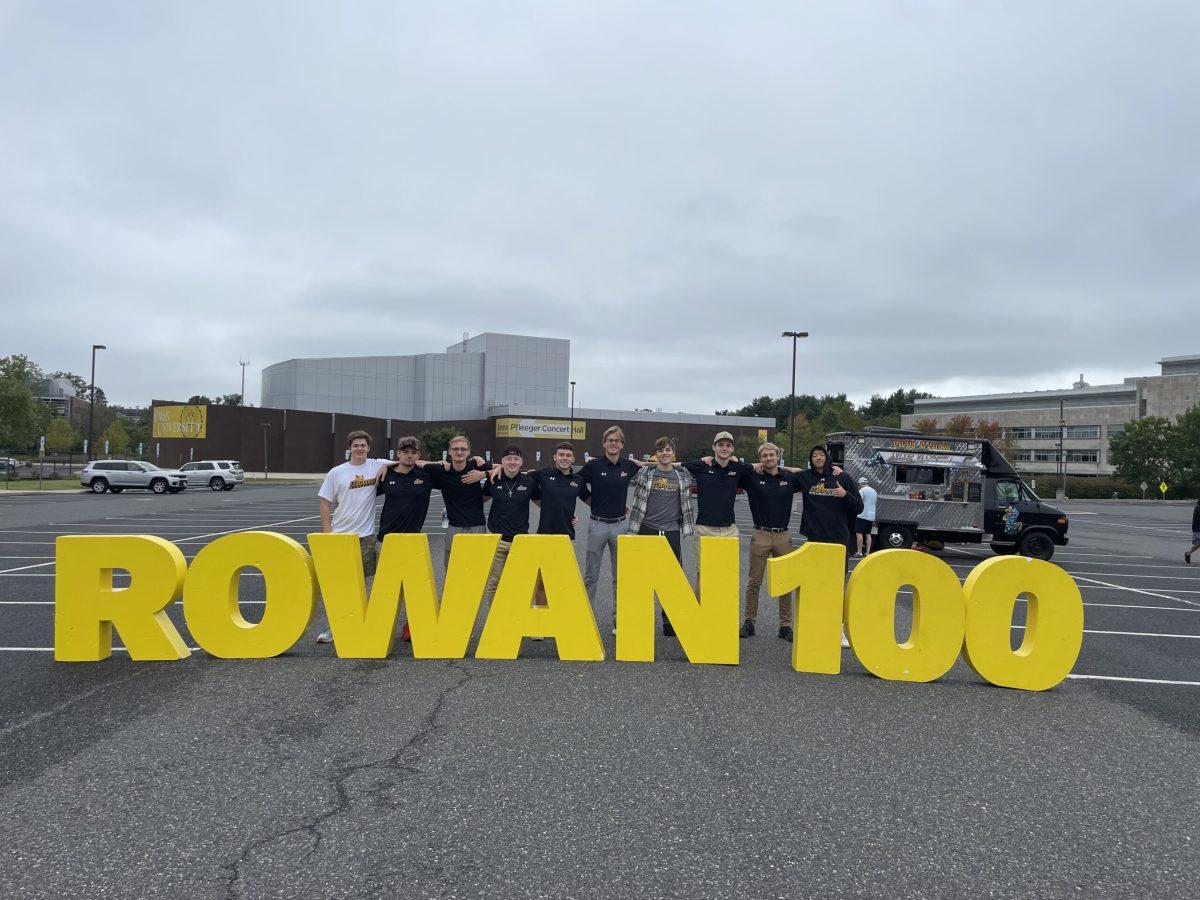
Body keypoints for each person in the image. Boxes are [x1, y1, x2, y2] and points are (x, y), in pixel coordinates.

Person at [315, 430, 393, 644]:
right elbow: (324, 502)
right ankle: (333, 626)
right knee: (339, 585)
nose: (360, 449)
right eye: (356, 445)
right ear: (349, 448)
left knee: (363, 583)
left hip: (366, 536)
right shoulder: (337, 472)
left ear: (369, 448)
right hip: (340, 536)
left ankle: (361, 623)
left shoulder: (376, 465)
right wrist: (327, 531)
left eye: (363, 445)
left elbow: (406, 460)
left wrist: (386, 466)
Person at [375, 435, 444, 642]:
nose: (409, 455)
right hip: (386, 539)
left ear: (418, 455)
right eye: (405, 452)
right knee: (386, 587)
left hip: (413, 539)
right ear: (398, 454)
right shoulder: (385, 475)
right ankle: (380, 625)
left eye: (413, 452)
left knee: (414, 588)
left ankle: (411, 624)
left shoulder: (425, 475)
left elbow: (448, 468)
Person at [578, 426, 646, 633]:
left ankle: (619, 619)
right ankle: (585, 619)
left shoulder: (629, 465)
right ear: (604, 443)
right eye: (610, 440)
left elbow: (653, 466)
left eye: (617, 440)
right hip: (597, 524)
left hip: (620, 525)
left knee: (621, 575)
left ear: (622, 444)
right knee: (591, 574)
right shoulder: (594, 465)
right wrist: (593, 502)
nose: (613, 443)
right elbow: (577, 483)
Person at [627, 437, 697, 637]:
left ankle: (669, 619)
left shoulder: (683, 475)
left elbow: (704, 465)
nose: (664, 453)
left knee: (673, 578)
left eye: (668, 450)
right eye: (660, 451)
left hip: (671, 531)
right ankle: (638, 618)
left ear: (673, 453)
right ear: (655, 454)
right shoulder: (645, 472)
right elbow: (623, 468)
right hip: (646, 528)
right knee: (642, 577)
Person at [737, 442, 803, 641]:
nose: (768, 458)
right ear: (760, 458)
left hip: (783, 535)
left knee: (785, 582)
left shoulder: (789, 478)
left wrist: (784, 468)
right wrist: (754, 465)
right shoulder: (752, 478)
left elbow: (804, 473)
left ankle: (785, 625)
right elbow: (735, 468)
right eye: (764, 456)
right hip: (761, 535)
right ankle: (749, 622)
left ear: (778, 456)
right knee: (754, 582)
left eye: (771, 455)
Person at [482, 445, 541, 601]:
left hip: (520, 540)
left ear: (521, 462)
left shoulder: (529, 482)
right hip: (497, 539)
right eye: (509, 459)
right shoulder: (493, 479)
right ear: (502, 461)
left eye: (516, 459)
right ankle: (495, 620)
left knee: (520, 581)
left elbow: (543, 504)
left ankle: (515, 619)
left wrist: (569, 514)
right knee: (495, 582)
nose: (512, 462)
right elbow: (479, 500)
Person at [427, 434, 490, 570]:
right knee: (452, 568)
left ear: (468, 452)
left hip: (477, 525)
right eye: (455, 449)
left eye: (463, 449)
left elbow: (504, 467)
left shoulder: (476, 466)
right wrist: (436, 462)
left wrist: (483, 474)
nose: (459, 452)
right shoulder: (442, 470)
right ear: (449, 451)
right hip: (454, 527)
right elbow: (414, 462)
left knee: (477, 567)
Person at [854, 476, 878, 558]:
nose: (858, 486)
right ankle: (867, 553)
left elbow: (859, 502)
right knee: (868, 534)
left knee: (859, 533)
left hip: (862, 515)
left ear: (860, 483)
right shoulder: (874, 491)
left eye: (858, 484)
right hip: (871, 516)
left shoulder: (862, 490)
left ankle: (859, 552)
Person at [1187, 499, 1200, 565]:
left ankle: (1188, 553)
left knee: (1198, 544)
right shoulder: (1198, 508)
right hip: (1197, 528)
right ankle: (1188, 553)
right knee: (1198, 544)